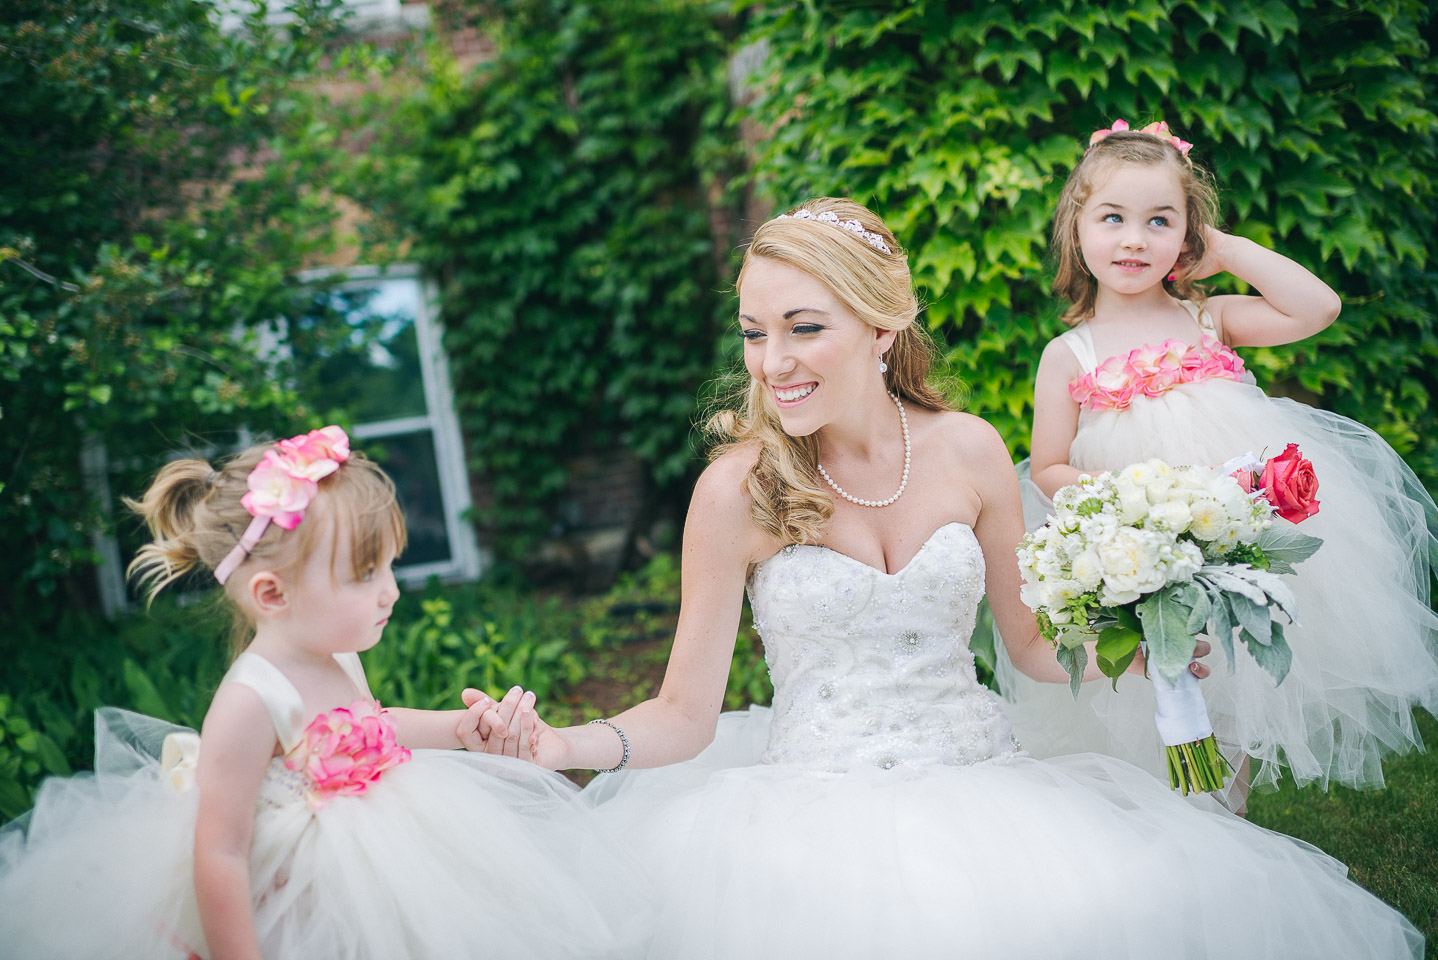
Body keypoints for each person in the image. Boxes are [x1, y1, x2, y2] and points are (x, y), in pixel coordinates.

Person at [471, 199, 1423, 958]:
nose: (773, 363)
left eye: (803, 327)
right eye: (754, 333)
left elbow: (1031, 650)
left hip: (989, 787)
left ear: (884, 328)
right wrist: (564, 748)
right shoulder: (736, 494)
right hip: (809, 819)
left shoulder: (968, 452)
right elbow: (684, 713)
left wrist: (1126, 655)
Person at [0, 427, 646, 960]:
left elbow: (369, 725)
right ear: (273, 595)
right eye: (366, 575)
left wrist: (455, 727)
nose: (390, 590)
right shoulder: (250, 697)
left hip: (389, 855)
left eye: (390, 566)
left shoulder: (333, 652)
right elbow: (219, 850)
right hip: (301, 892)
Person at [1005, 119, 1438, 813]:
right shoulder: (1071, 355)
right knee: (1154, 697)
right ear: (1076, 230)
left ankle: (1226, 826)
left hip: (1231, 542)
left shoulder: (1209, 319)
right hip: (1137, 550)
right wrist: (1131, 504)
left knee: (1230, 693)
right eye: (1112, 218)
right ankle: (1159, 823)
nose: (1135, 239)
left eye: (1161, 221)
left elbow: (1318, 306)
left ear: (1188, 236)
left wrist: (1227, 251)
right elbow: (1047, 467)